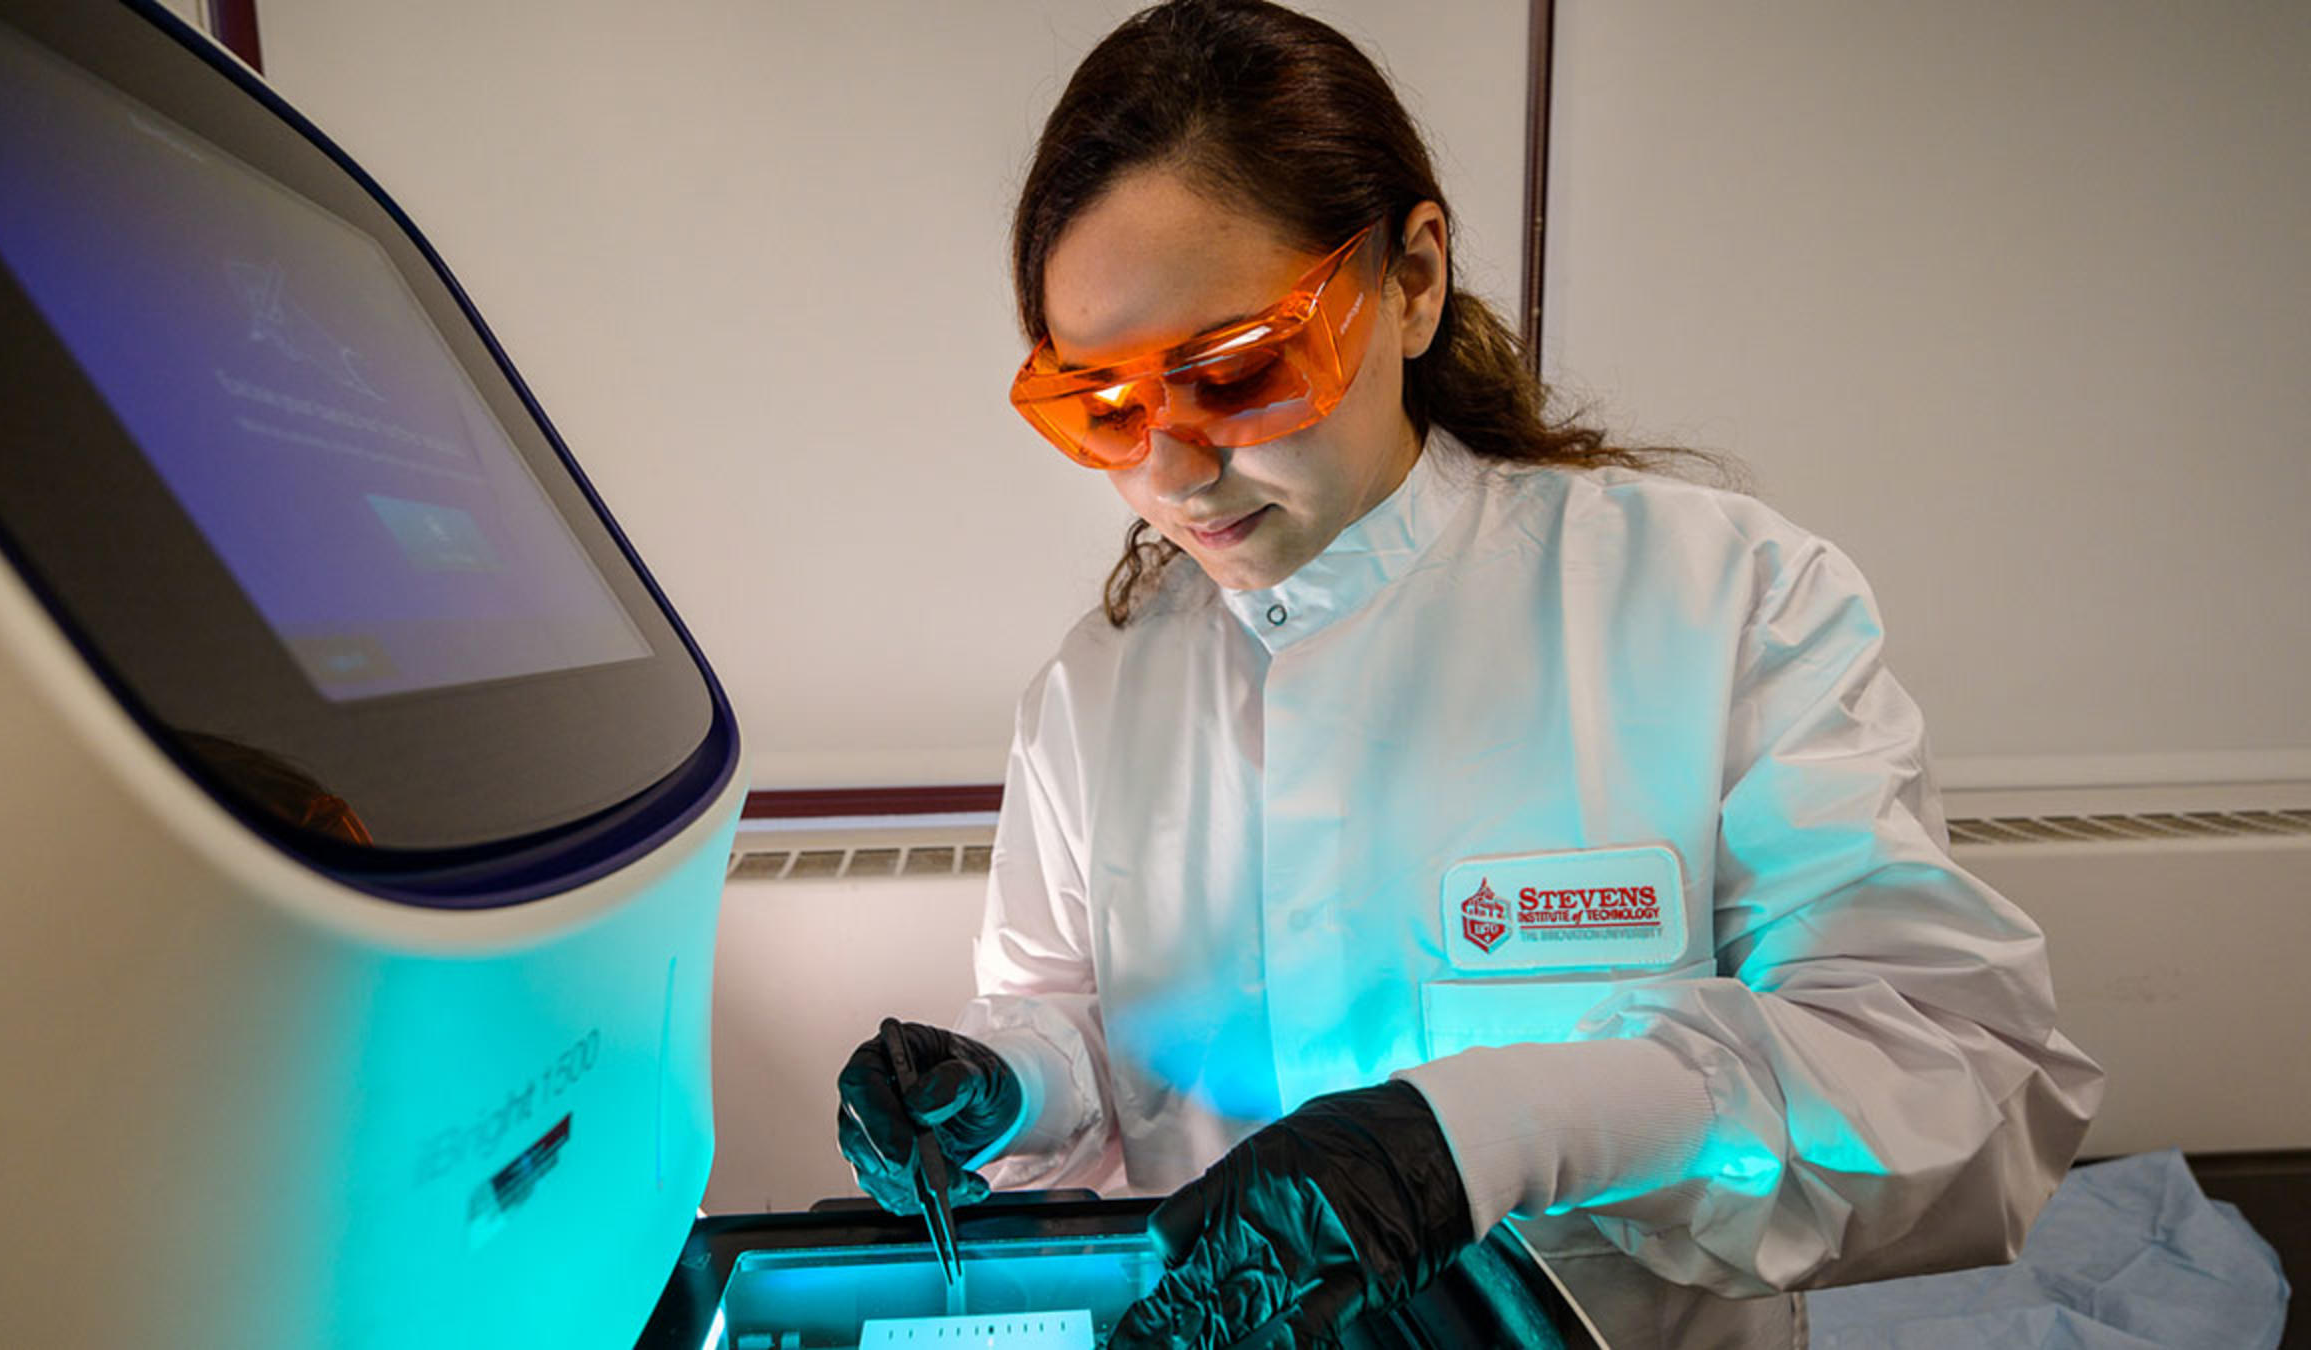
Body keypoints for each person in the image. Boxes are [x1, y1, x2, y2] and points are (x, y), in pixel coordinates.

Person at [835, 2, 2105, 1345]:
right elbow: (1085, 1038)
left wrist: (1486, 1137)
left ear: (1414, 278)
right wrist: (1006, 1083)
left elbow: (1949, 1081)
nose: (1172, 472)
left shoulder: (1722, 603)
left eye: (1244, 370)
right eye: (1105, 404)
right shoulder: (1096, 695)